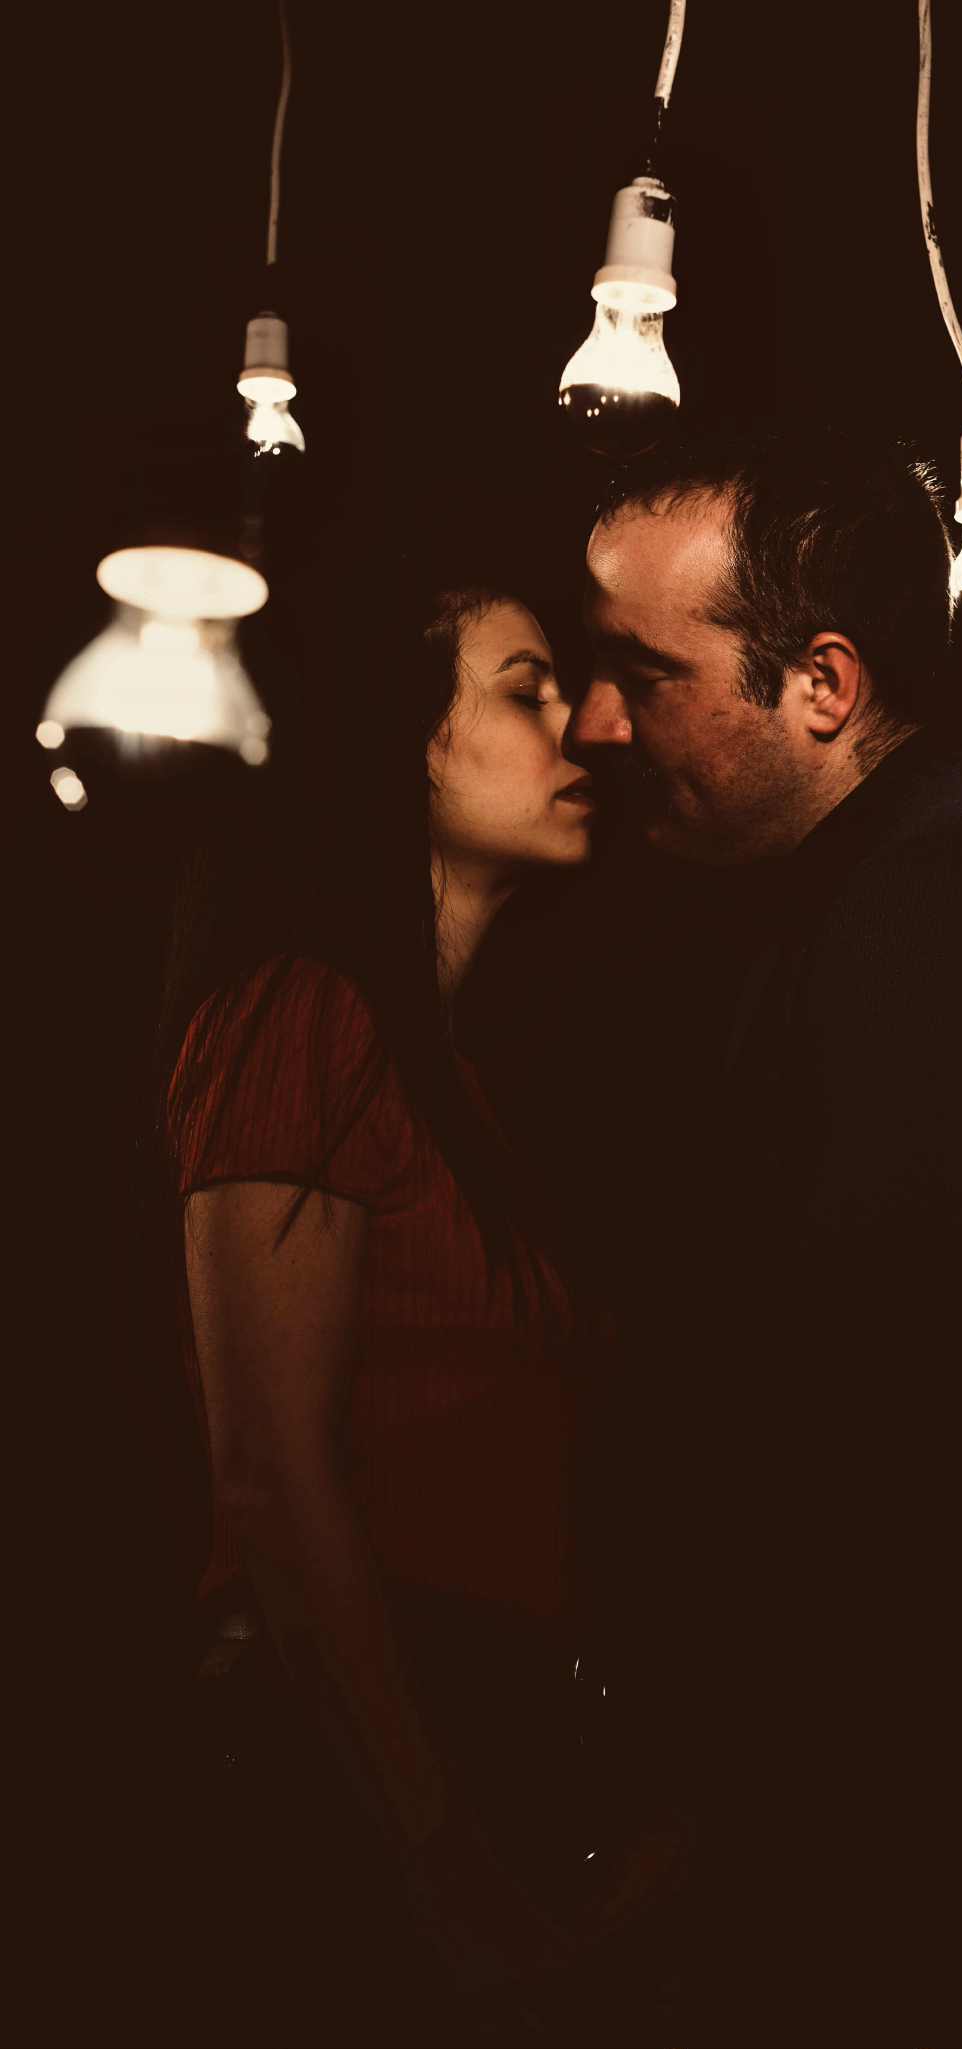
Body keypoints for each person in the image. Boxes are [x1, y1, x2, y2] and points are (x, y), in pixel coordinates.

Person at [560, 424, 962, 2043]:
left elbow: (883, 1427)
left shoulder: (960, 892)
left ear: (822, 684)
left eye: (642, 674)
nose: (594, 722)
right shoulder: (885, 879)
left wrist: (725, 1807)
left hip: (956, 1848)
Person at [157, 578, 608, 2040]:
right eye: (526, 690)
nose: (587, 725)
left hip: (469, 1721)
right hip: (344, 1765)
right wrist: (441, 1863)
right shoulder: (305, 1017)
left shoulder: (453, 1075)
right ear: (410, 742)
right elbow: (271, 1477)